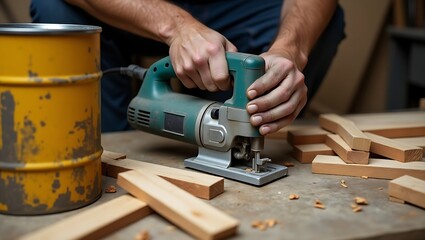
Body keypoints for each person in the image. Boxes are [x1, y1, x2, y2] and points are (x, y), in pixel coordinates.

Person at [31, 0, 345, 134]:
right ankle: (109, 146)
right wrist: (178, 27)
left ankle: (243, 135)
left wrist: (289, 50)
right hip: (135, 8)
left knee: (322, 22)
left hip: (236, 8)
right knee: (54, 8)